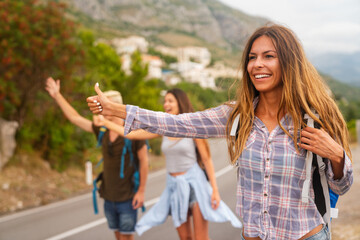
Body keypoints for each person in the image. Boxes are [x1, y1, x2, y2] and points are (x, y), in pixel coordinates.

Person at [86, 24, 353, 240]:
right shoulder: (237, 115)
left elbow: (341, 185)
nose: (257, 64)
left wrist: (338, 156)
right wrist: (118, 110)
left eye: (268, 56)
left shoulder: (315, 117)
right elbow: (177, 123)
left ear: (289, 62)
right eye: (252, 57)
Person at [94, 88, 241, 240]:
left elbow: (206, 159)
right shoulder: (164, 129)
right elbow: (132, 134)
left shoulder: (192, 126)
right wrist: (106, 122)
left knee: (200, 238)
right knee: (185, 237)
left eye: (170, 101)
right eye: (165, 101)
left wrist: (214, 190)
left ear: (180, 103)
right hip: (174, 186)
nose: (166, 104)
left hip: (195, 185)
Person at [45, 77, 148, 240]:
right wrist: (57, 95)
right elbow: (75, 118)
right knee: (117, 235)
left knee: (126, 238)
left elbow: (144, 161)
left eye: (103, 106)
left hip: (128, 197)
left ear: (113, 107)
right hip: (108, 196)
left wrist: (141, 191)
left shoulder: (132, 132)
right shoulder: (103, 130)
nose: (99, 110)